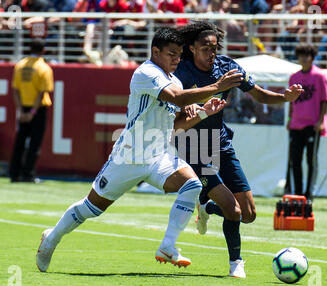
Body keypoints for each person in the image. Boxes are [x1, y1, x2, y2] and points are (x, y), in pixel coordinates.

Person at [36, 26, 244, 272]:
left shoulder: (174, 79)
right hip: (130, 156)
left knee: (193, 185)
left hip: (160, 156)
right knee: (90, 209)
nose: (176, 59)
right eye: (171, 54)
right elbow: (177, 98)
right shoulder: (146, 72)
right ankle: (52, 238)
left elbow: (175, 126)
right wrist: (218, 86)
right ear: (155, 51)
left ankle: (168, 246)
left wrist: (204, 112)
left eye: (179, 55)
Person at [174, 21, 303, 278]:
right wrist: (184, 106)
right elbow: (173, 102)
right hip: (194, 149)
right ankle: (236, 263)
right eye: (205, 48)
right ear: (192, 48)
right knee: (232, 211)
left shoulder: (228, 67)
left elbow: (260, 94)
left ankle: (207, 207)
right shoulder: (182, 71)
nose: (211, 53)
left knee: (249, 214)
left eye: (214, 47)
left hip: (221, 145)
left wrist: (284, 98)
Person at [285, 44, 327, 200]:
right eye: (301, 55)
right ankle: (297, 194)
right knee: (295, 160)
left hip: (313, 125)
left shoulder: (319, 76)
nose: (304, 58)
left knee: (311, 161)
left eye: (307, 55)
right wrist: (289, 119)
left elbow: (326, 100)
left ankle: (308, 194)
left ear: (312, 57)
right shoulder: (294, 77)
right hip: (296, 125)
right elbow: (291, 101)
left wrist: (320, 121)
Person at [9, 38, 54, 183]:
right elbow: (42, 93)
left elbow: (15, 90)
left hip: (23, 108)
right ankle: (28, 174)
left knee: (20, 142)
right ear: (43, 50)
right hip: (37, 110)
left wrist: (21, 111)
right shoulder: (44, 68)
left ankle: (14, 173)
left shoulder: (20, 65)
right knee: (34, 143)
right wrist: (32, 113)